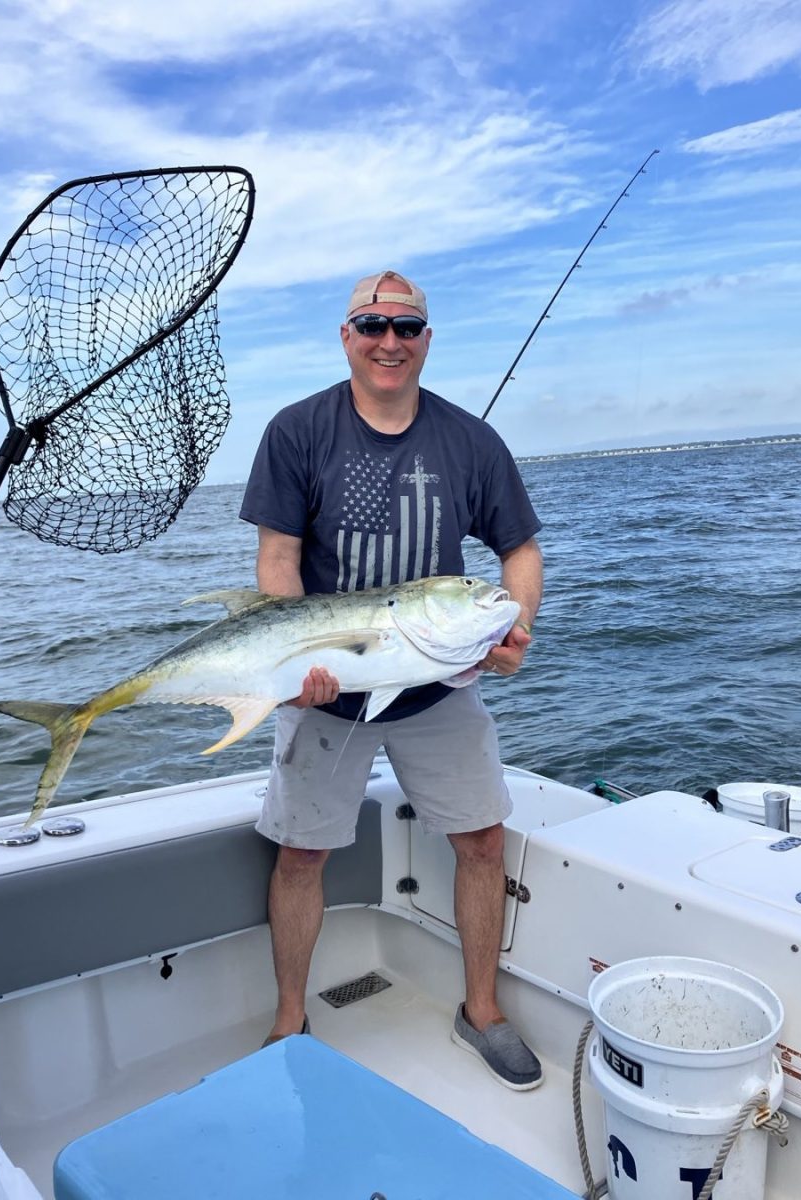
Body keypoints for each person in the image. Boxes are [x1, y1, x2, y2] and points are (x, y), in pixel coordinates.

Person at [239, 269, 544, 1089]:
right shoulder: (297, 430)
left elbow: (519, 550)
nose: (389, 341)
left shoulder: (470, 441)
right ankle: (290, 1018)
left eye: (406, 328)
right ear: (346, 336)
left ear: (426, 341)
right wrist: (300, 662)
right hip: (328, 685)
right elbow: (278, 558)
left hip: (438, 682)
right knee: (301, 853)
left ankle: (482, 1010)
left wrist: (515, 626)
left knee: (482, 841)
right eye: (372, 325)